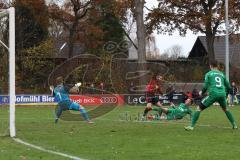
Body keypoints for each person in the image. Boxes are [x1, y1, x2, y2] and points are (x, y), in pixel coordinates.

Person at [185, 60, 237, 131]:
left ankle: (191, 126)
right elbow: (228, 87)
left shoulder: (208, 74)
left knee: (198, 108)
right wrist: (225, 95)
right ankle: (234, 125)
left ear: (211, 66)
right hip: (222, 94)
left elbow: (206, 86)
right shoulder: (222, 74)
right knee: (225, 109)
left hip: (213, 94)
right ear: (217, 66)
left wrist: (202, 92)